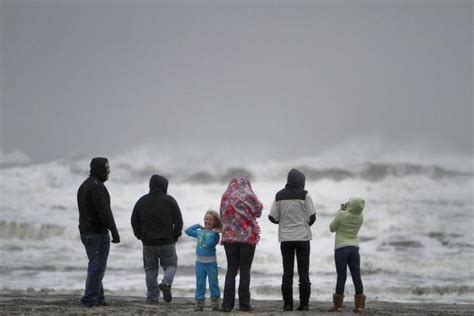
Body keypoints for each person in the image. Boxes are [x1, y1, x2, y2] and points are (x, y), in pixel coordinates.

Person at [268, 168, 317, 311]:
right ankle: (304, 304)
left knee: (287, 272)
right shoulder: (305, 194)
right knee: (303, 273)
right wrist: (304, 223)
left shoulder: (279, 195)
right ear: (301, 181)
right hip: (302, 238)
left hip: (286, 238)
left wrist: (283, 222)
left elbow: (272, 217)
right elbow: (312, 216)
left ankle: (288, 304)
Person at [131, 174, 183, 304]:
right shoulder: (169, 200)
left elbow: (134, 221)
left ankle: (152, 298)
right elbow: (179, 221)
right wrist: (175, 236)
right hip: (166, 241)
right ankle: (166, 283)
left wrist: (139, 235)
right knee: (171, 265)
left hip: (148, 243)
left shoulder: (141, 201)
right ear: (164, 186)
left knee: (150, 270)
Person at [77, 157, 120, 307]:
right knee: (97, 267)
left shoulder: (84, 185)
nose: (109, 171)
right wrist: (115, 232)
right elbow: (105, 213)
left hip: (86, 232)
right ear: (98, 169)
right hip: (97, 233)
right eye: (106, 168)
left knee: (96, 265)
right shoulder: (96, 187)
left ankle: (99, 298)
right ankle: (89, 300)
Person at [220, 175, 263, 312]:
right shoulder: (249, 195)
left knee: (231, 270)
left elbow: (222, 214)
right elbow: (258, 212)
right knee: (245, 271)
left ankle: (227, 304)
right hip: (247, 238)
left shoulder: (226, 196)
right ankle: (244, 304)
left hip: (229, 238)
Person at [328, 197, 366, 313]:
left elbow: (332, 228)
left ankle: (338, 306)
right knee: (356, 276)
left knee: (341, 276)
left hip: (341, 248)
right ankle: (359, 306)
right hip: (354, 248)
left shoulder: (342, 215)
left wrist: (339, 211)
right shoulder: (361, 217)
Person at [185, 210, 223, 311]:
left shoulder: (215, 234)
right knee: (200, 283)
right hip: (199, 263)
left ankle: (215, 303)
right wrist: (197, 225)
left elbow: (210, 243)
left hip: (211, 263)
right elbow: (187, 231)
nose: (208, 221)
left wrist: (212, 232)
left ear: (215, 222)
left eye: (211, 220)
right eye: (206, 219)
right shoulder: (199, 232)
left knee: (213, 283)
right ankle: (199, 304)